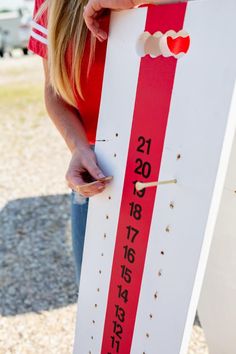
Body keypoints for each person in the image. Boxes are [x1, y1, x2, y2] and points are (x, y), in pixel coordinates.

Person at [28, 0, 148, 287]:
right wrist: (78, 148)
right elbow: (54, 89)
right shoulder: (47, 4)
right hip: (99, 166)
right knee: (97, 306)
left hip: (172, 154)